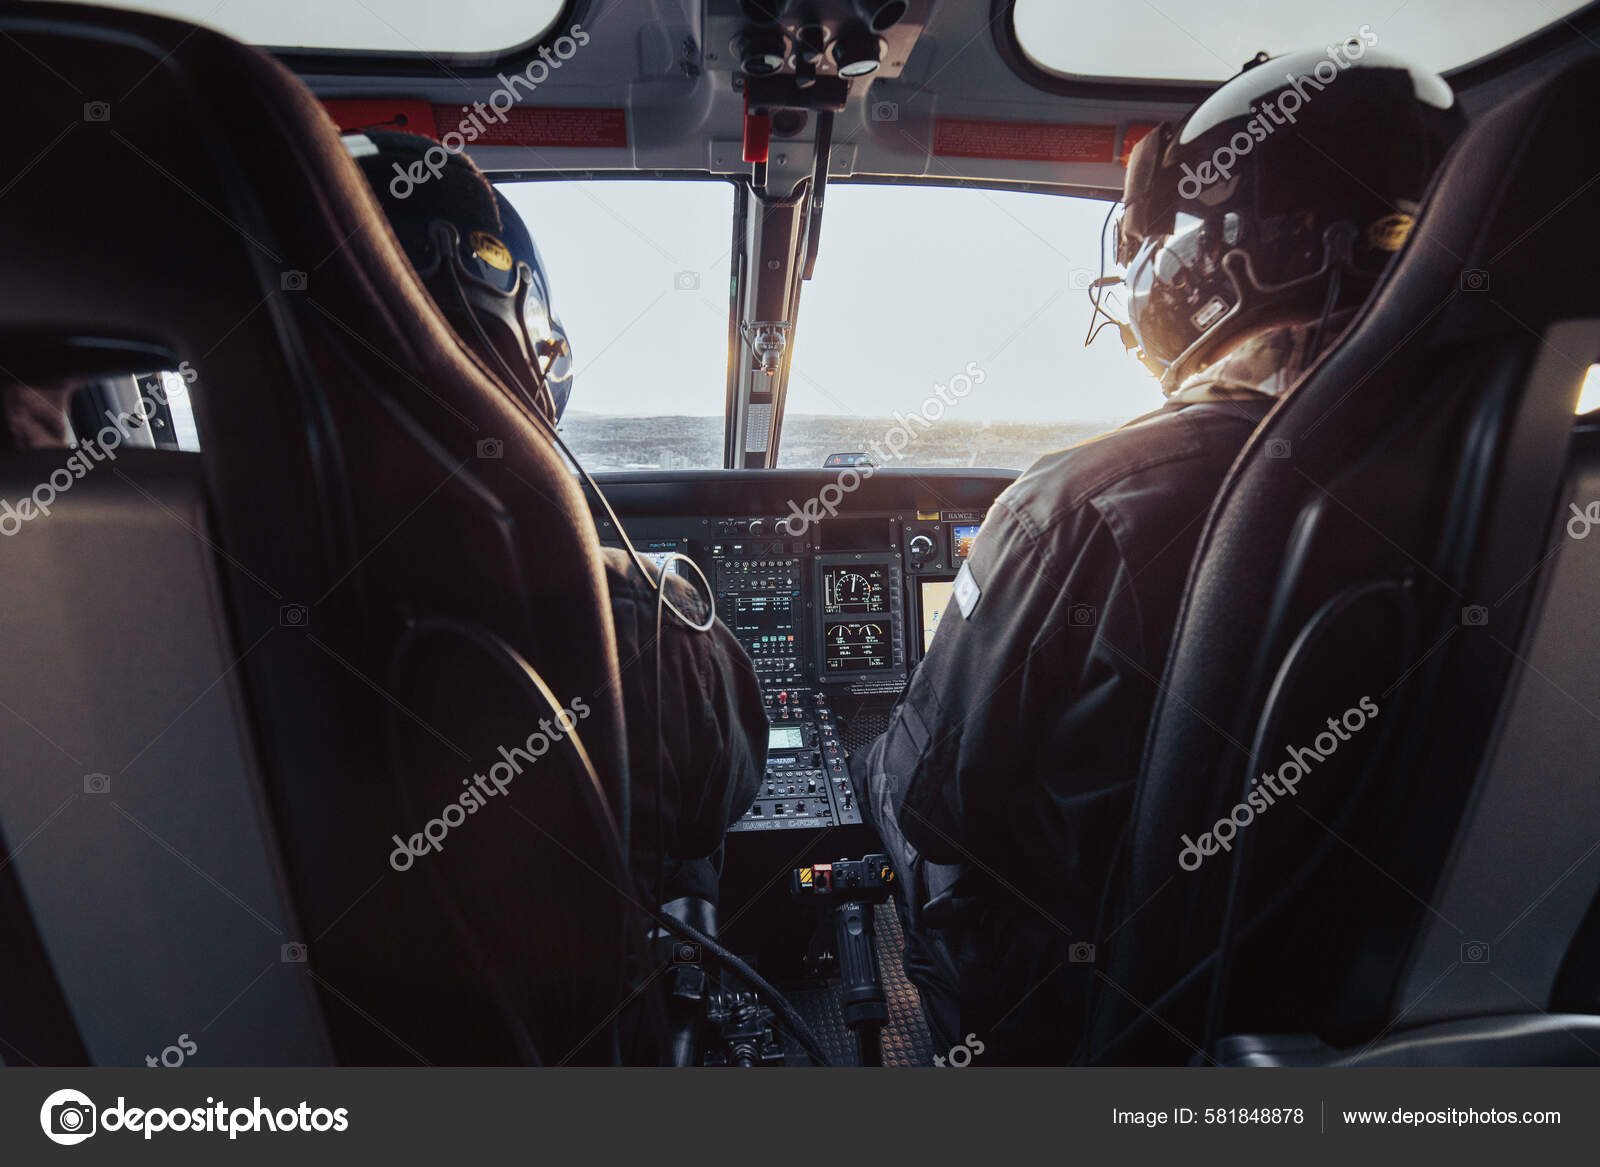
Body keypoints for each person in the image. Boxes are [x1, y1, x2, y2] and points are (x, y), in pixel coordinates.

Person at [849, 47, 1465, 1064]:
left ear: (1207, 269)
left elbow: (940, 801)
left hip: (1105, 1014)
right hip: (1393, 1013)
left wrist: (872, 749)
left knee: (885, 782)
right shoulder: (1513, 487)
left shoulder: (1079, 503)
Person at [349, 129, 766, 910]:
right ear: (535, 353)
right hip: (581, 1025)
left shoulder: (147, 607)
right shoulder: (636, 623)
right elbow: (731, 784)